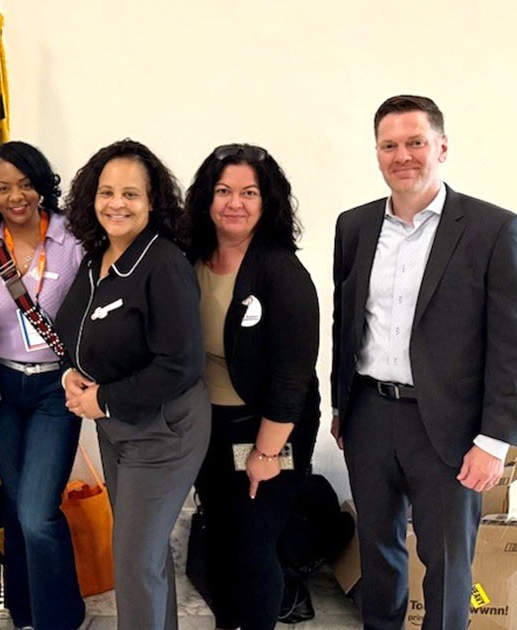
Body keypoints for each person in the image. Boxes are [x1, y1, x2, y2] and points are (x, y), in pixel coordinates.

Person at [331, 95, 517, 630]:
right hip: (369, 415)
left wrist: (495, 441)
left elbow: (514, 347)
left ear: (442, 147)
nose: (402, 155)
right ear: (377, 153)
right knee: (377, 552)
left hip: (450, 427)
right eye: (389, 145)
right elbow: (345, 323)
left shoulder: (495, 230)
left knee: (446, 561)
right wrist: (341, 407)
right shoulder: (354, 226)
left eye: (415, 142)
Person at [53, 139, 210, 630]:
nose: (116, 204)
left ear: (152, 202)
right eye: (106, 192)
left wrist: (102, 398)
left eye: (130, 194)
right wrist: (71, 373)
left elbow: (181, 364)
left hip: (163, 431)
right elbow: (76, 332)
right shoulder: (94, 258)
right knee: (145, 553)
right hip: (117, 428)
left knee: (134, 561)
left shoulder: (164, 265)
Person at [184, 143, 321, 630]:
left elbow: (292, 377)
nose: (234, 203)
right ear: (207, 197)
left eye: (248, 193)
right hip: (209, 427)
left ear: (267, 202)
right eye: (223, 191)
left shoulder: (282, 272)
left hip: (267, 429)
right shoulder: (189, 258)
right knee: (220, 535)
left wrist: (265, 453)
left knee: (255, 545)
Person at [0, 141, 87, 630]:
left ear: (42, 185)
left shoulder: (74, 240)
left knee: (37, 512)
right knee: (17, 508)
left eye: (25, 184)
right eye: (3, 188)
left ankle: (61, 618)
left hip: (55, 389)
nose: (16, 196)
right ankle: (25, 612)